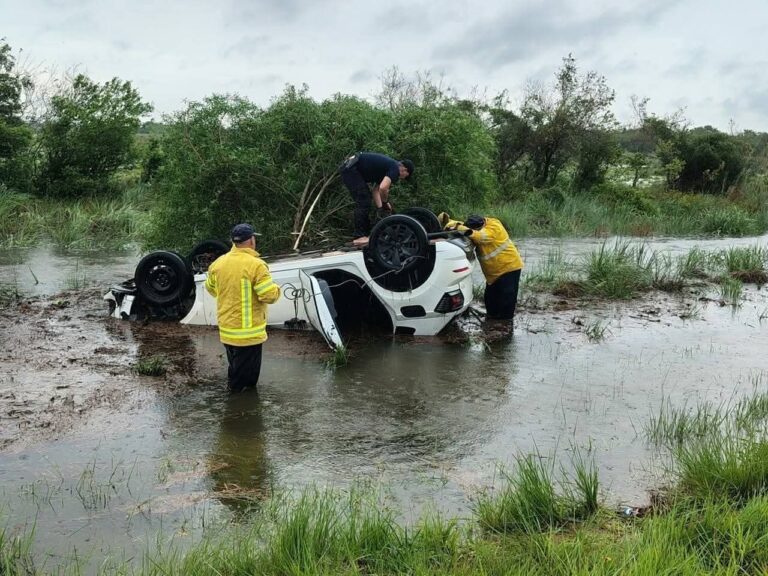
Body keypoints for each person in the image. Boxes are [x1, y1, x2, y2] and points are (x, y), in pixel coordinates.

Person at [205, 223, 281, 392]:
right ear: (252, 240)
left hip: (227, 332)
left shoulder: (218, 264)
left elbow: (211, 289)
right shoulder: (256, 265)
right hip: (249, 334)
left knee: (236, 372)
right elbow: (268, 296)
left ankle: (236, 403)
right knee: (244, 383)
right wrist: (277, 289)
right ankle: (237, 406)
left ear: (234, 242)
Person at [438, 213, 523, 321]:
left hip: (509, 267)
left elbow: (478, 237)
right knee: (490, 299)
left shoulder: (494, 227)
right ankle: (492, 318)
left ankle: (506, 322)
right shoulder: (477, 226)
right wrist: (446, 220)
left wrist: (460, 228)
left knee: (507, 299)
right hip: (494, 273)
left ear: (481, 226)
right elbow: (456, 224)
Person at [339, 152, 415, 243]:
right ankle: (359, 236)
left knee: (365, 199)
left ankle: (364, 235)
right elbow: (383, 188)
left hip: (350, 167)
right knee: (363, 200)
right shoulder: (395, 168)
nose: (402, 178)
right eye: (406, 176)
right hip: (351, 168)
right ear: (405, 169)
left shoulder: (388, 168)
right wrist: (385, 203)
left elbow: (376, 191)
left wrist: (382, 208)